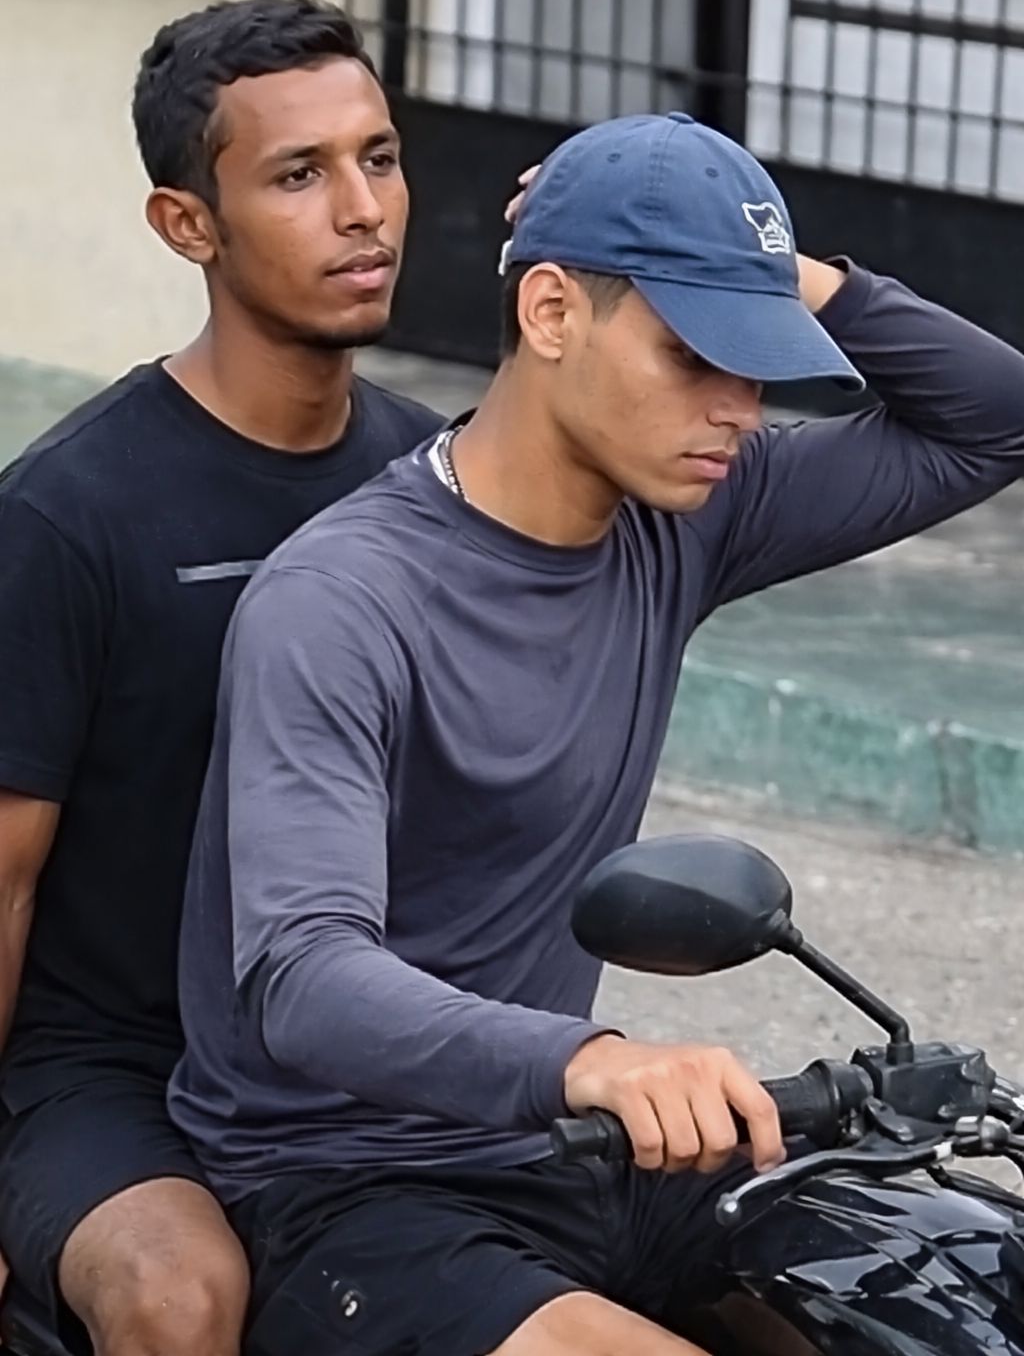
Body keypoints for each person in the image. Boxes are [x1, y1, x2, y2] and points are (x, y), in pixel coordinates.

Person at [172, 109, 1024, 1356]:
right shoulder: (340, 604)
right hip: (353, 1184)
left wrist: (762, 264)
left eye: (758, 360)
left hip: (588, 1159)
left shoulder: (688, 513)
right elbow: (305, 978)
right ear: (553, 313)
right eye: (696, 353)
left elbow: (997, 417)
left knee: (968, 1299)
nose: (739, 408)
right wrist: (597, 1061)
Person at [0, 0, 442, 1356]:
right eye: (299, 175)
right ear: (188, 225)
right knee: (180, 1300)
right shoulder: (68, 516)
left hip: (351, 1051)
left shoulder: (438, 480)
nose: (361, 209)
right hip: (112, 1071)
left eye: (378, 157)